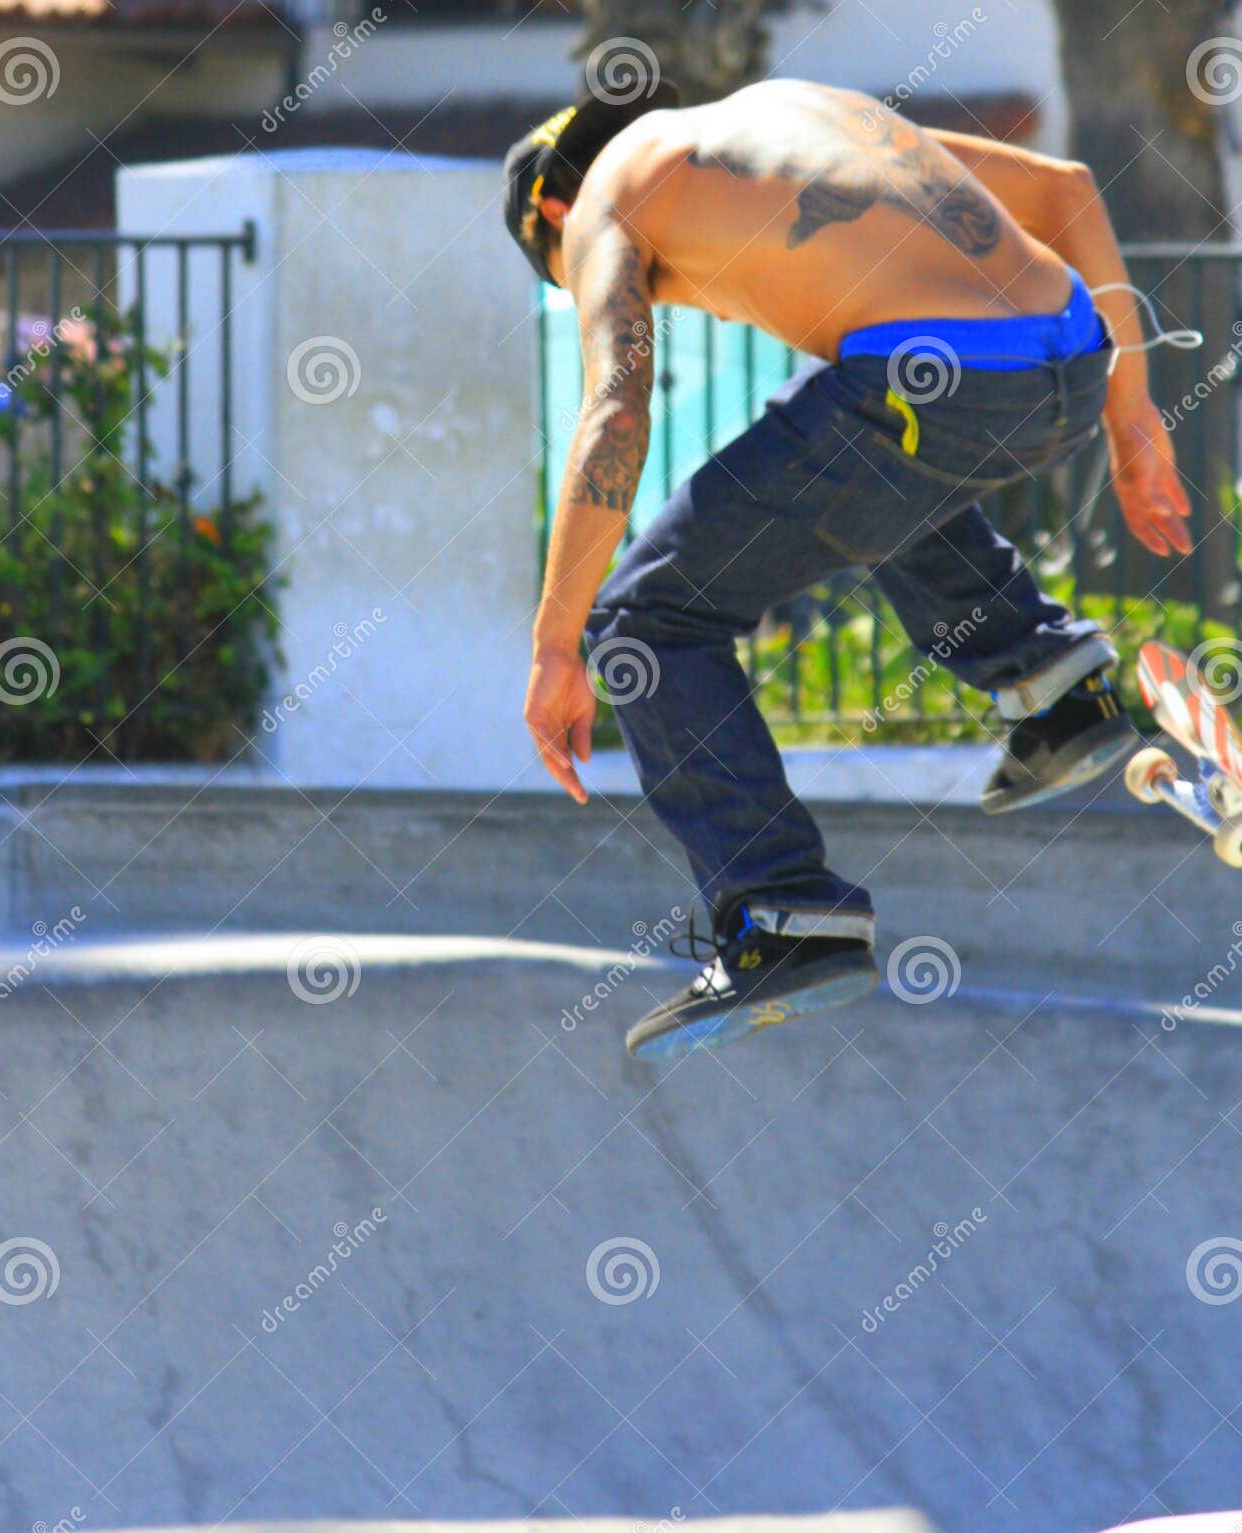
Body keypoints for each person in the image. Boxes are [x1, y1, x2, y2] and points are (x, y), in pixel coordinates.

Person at [504, 76, 1192, 1061]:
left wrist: (554, 643)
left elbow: (616, 410)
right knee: (850, 458)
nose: (676, 298)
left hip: (931, 381)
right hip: (1070, 366)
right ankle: (1053, 684)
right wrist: (1131, 417)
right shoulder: (810, 110)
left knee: (643, 626)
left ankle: (782, 908)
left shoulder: (606, 191)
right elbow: (1069, 187)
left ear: (554, 215)